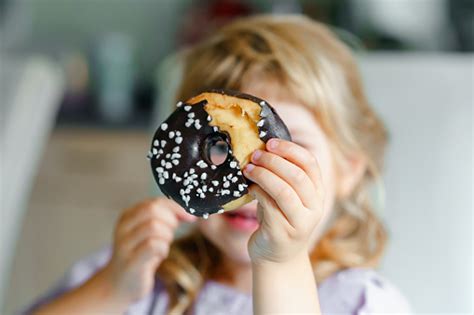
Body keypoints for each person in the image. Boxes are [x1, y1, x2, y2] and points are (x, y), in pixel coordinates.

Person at [26, 15, 411, 314]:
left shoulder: (359, 300)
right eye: (220, 149)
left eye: (284, 151)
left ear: (348, 170)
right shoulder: (146, 274)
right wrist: (112, 288)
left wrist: (282, 262)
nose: (249, 178)